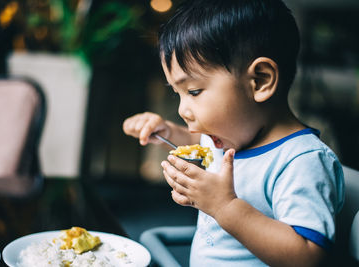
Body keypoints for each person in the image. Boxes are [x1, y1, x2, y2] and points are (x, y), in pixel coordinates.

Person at [122, 0, 345, 265]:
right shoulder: (230, 134)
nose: (183, 110)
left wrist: (225, 207)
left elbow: (308, 257)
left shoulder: (301, 161)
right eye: (177, 93)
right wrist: (166, 131)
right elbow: (198, 141)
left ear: (260, 81)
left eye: (193, 91)